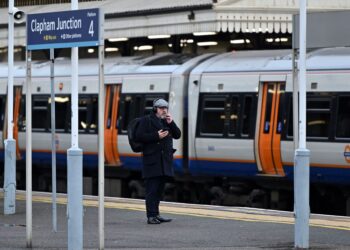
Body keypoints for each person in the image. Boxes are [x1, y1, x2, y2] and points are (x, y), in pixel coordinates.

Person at [135, 98, 181, 224]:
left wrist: (171, 123)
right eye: (161, 108)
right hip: (152, 161)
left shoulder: (167, 121)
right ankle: (150, 216)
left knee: (159, 190)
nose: (164, 110)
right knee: (152, 190)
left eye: (165, 108)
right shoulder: (146, 120)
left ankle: (156, 214)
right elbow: (139, 136)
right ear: (155, 109)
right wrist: (156, 136)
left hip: (164, 162)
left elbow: (178, 135)